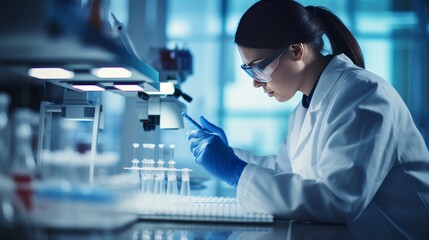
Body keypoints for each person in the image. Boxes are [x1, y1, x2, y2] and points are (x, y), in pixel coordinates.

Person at [186, 0, 429, 237]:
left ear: (296, 50)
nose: (256, 82)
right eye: (249, 70)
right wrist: (229, 156)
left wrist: (235, 171)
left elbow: (339, 200)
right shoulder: (305, 108)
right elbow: (285, 171)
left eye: (259, 67)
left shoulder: (363, 94)